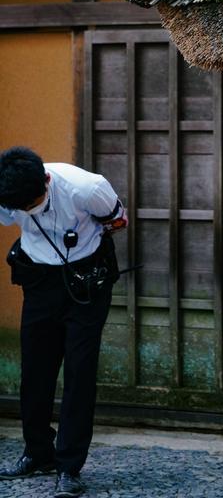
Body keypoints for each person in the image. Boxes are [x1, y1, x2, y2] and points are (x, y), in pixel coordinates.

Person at [0, 147, 127, 498]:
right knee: (35, 371)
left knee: (79, 372)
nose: (29, 211)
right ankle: (38, 452)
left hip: (86, 280)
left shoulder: (86, 187)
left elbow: (118, 221)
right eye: (22, 208)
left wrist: (81, 240)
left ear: (47, 179)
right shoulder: (7, 194)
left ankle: (69, 467)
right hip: (39, 280)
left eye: (34, 203)